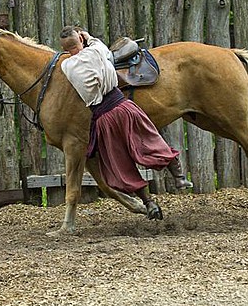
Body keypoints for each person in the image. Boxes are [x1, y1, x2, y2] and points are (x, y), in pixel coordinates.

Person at [59, 25, 192, 220]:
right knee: (150, 141)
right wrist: (88, 37)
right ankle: (179, 178)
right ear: (80, 38)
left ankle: (149, 203)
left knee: (120, 163)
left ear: (64, 49)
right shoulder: (96, 50)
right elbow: (103, 50)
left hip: (103, 118)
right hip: (124, 107)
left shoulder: (67, 66)